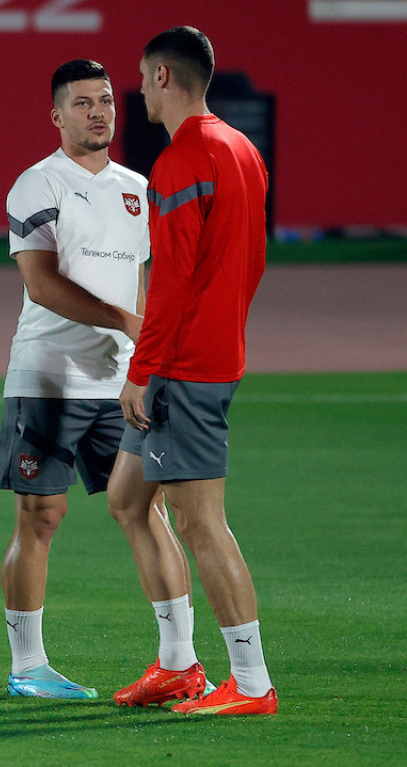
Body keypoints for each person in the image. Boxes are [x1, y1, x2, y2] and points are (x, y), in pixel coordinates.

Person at [0, 59, 196, 700]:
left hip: (121, 382)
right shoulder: (37, 184)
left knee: (148, 510)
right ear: (57, 116)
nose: (98, 112)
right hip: (48, 378)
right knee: (40, 515)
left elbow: (142, 280)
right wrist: (128, 322)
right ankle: (28, 667)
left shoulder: (138, 188)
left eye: (105, 100)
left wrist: (147, 353)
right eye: (82, 103)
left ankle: (180, 662)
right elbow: (41, 283)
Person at [113, 26, 276, 715]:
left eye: (141, 78)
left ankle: (252, 681)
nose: (139, 91)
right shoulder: (241, 149)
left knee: (200, 521)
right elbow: (254, 258)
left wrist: (143, 368)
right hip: (210, 352)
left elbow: (172, 282)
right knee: (129, 498)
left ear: (162, 77)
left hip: (184, 367)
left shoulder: (181, 162)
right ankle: (178, 664)